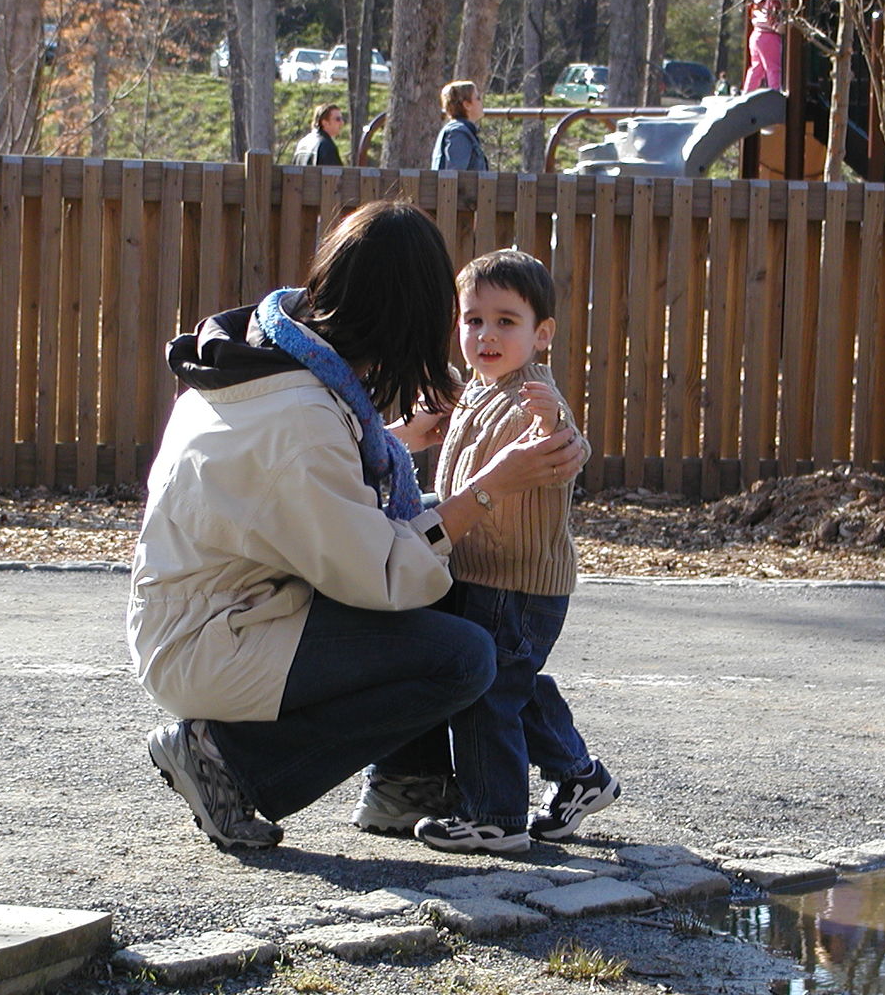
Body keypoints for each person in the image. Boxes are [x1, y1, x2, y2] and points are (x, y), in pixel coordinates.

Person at [128, 201, 585, 850]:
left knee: (439, 563)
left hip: (222, 609)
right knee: (460, 653)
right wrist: (488, 491)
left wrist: (396, 442)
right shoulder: (302, 421)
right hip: (215, 641)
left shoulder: (272, 362)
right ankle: (226, 761)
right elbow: (384, 574)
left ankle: (408, 783)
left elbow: (328, 502)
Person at [412, 250, 620, 854]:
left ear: (541, 334)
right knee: (514, 682)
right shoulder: (479, 391)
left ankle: (496, 816)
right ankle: (581, 776)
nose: (487, 334)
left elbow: (563, 448)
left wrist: (556, 427)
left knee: (487, 694)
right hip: (480, 571)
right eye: (473, 320)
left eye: (506, 321)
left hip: (517, 582)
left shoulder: (534, 396)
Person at [431, 80, 489, 172]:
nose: (481, 102)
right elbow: (453, 176)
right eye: (478, 98)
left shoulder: (461, 131)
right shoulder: (458, 133)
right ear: (467, 105)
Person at [742, 0, 786, 92]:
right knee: (773, 68)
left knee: (756, 69)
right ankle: (775, 95)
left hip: (756, 34)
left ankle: (747, 94)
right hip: (769, 35)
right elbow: (775, 22)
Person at [292, 103, 345, 167]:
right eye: (338, 119)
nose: (342, 123)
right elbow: (336, 174)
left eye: (342, 119)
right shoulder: (326, 146)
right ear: (325, 122)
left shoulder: (302, 142)